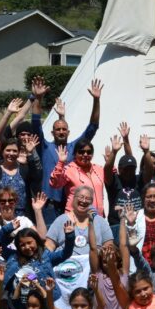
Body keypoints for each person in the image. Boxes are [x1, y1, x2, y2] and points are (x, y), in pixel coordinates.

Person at [31, 77, 102, 222]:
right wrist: (38, 98)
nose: (61, 131)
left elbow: (93, 127)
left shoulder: (75, 148)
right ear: (52, 132)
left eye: (64, 129)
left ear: (68, 132)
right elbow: (36, 123)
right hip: (49, 205)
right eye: (58, 129)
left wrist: (96, 100)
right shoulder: (45, 147)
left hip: (70, 204)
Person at [45, 186, 114, 309]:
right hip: (66, 274)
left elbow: (109, 246)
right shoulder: (61, 220)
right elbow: (49, 246)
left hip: (93, 272)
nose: (84, 201)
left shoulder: (100, 221)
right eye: (81, 197)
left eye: (88, 198)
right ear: (73, 199)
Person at [50, 140, 107, 217]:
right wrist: (60, 163)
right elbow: (54, 183)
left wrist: (110, 162)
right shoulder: (69, 169)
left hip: (97, 218)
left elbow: (112, 177)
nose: (85, 154)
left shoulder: (99, 169)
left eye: (89, 152)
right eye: (81, 152)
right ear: (75, 154)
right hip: (76, 219)